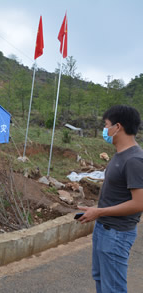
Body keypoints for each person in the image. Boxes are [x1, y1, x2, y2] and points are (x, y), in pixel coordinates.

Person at [77, 105, 143, 293]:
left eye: (106, 125)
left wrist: (99, 211)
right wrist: (96, 210)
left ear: (118, 127)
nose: (104, 130)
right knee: (101, 280)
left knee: (112, 288)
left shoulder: (135, 160)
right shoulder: (120, 155)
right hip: (104, 229)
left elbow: (139, 203)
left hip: (116, 234)